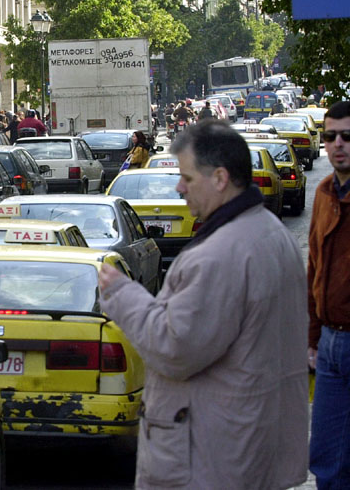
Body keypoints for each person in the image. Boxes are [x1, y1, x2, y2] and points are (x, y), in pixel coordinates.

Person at [98, 120, 308, 489]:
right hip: (251, 444)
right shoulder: (274, 235)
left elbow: (174, 349)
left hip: (210, 456)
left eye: (187, 178)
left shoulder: (219, 255)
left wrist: (123, 293)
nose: (180, 188)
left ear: (220, 178)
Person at [308, 101, 350, 488]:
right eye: (330, 136)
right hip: (330, 347)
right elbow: (314, 271)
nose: (338, 144)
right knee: (326, 459)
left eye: (347, 136)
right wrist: (313, 339)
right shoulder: (322, 193)